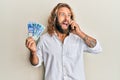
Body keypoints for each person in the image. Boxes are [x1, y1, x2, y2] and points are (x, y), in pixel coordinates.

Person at [25, 3, 102, 80]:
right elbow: (35, 63)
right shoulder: (44, 39)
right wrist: (33, 52)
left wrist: (80, 33)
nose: (66, 19)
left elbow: (97, 48)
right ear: (54, 18)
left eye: (69, 15)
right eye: (62, 14)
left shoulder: (78, 38)